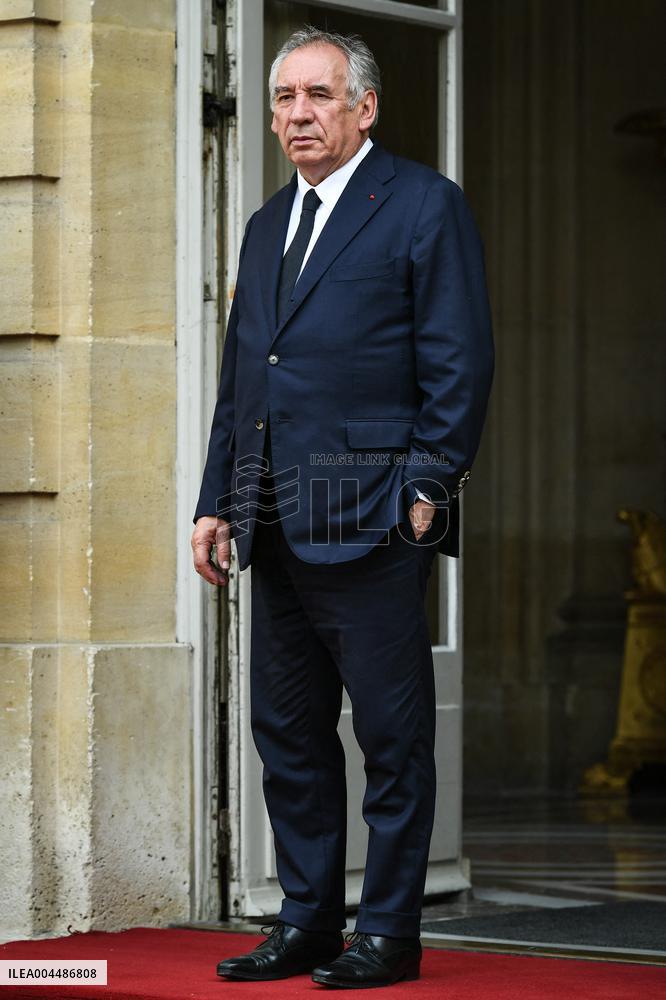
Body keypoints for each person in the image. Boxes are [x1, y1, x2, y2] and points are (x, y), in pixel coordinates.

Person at [191, 26, 494, 989]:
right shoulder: (263, 226)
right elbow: (247, 382)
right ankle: (309, 922)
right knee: (287, 737)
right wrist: (216, 504)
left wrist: (427, 486)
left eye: (317, 96)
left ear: (364, 107)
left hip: (372, 514)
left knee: (391, 743)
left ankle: (390, 935)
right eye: (283, 98)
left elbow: (460, 360)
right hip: (274, 519)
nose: (296, 115)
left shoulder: (422, 207)